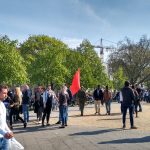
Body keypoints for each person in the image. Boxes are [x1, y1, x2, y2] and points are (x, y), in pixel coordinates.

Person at [0, 85, 14, 150]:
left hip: (4, 137)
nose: (6, 95)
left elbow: (3, 121)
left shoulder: (2, 104)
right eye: (4, 93)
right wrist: (5, 133)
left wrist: (9, 131)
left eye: (6, 93)